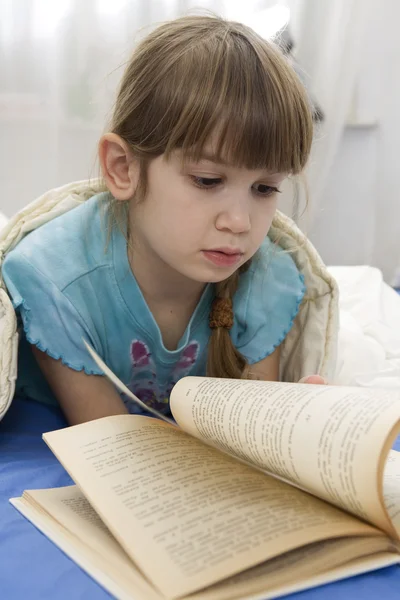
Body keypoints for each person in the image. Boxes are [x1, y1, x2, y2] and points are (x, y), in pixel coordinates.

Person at [2, 15, 328, 426]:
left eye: (264, 189)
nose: (240, 221)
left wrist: (293, 425)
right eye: (208, 180)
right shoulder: (51, 278)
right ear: (123, 168)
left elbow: (251, 436)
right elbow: (106, 443)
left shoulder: (270, 279)